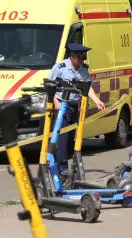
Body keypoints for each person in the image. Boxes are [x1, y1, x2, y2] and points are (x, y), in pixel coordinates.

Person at [48, 43, 105, 174]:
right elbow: (49, 87)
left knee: (71, 139)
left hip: (74, 107)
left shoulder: (83, 70)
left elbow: (87, 87)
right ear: (72, 56)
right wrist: (56, 104)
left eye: (83, 58)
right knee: (62, 139)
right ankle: (62, 169)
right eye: (79, 58)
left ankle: (65, 165)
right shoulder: (60, 68)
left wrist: (97, 101)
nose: (82, 61)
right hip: (61, 106)